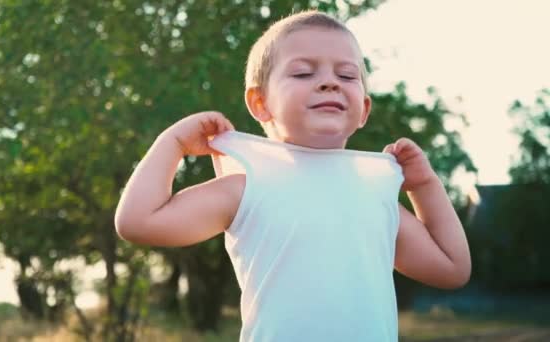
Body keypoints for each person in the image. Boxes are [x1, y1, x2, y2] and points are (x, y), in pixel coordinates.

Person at [114, 10, 471, 342]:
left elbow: (452, 269)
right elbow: (139, 222)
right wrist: (172, 143)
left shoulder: (375, 190)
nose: (330, 83)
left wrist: (424, 186)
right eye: (303, 72)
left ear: (363, 109)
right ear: (260, 103)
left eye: (346, 75)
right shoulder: (248, 185)